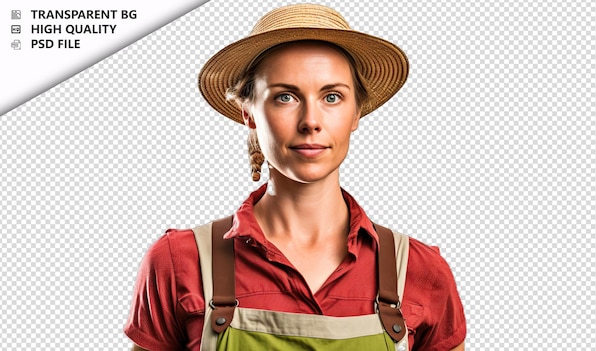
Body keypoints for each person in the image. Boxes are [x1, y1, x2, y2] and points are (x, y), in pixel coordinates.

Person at [124, 4, 466, 351]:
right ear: (249, 114)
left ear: (356, 113)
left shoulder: (422, 272)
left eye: (332, 97)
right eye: (285, 97)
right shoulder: (178, 262)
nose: (311, 121)